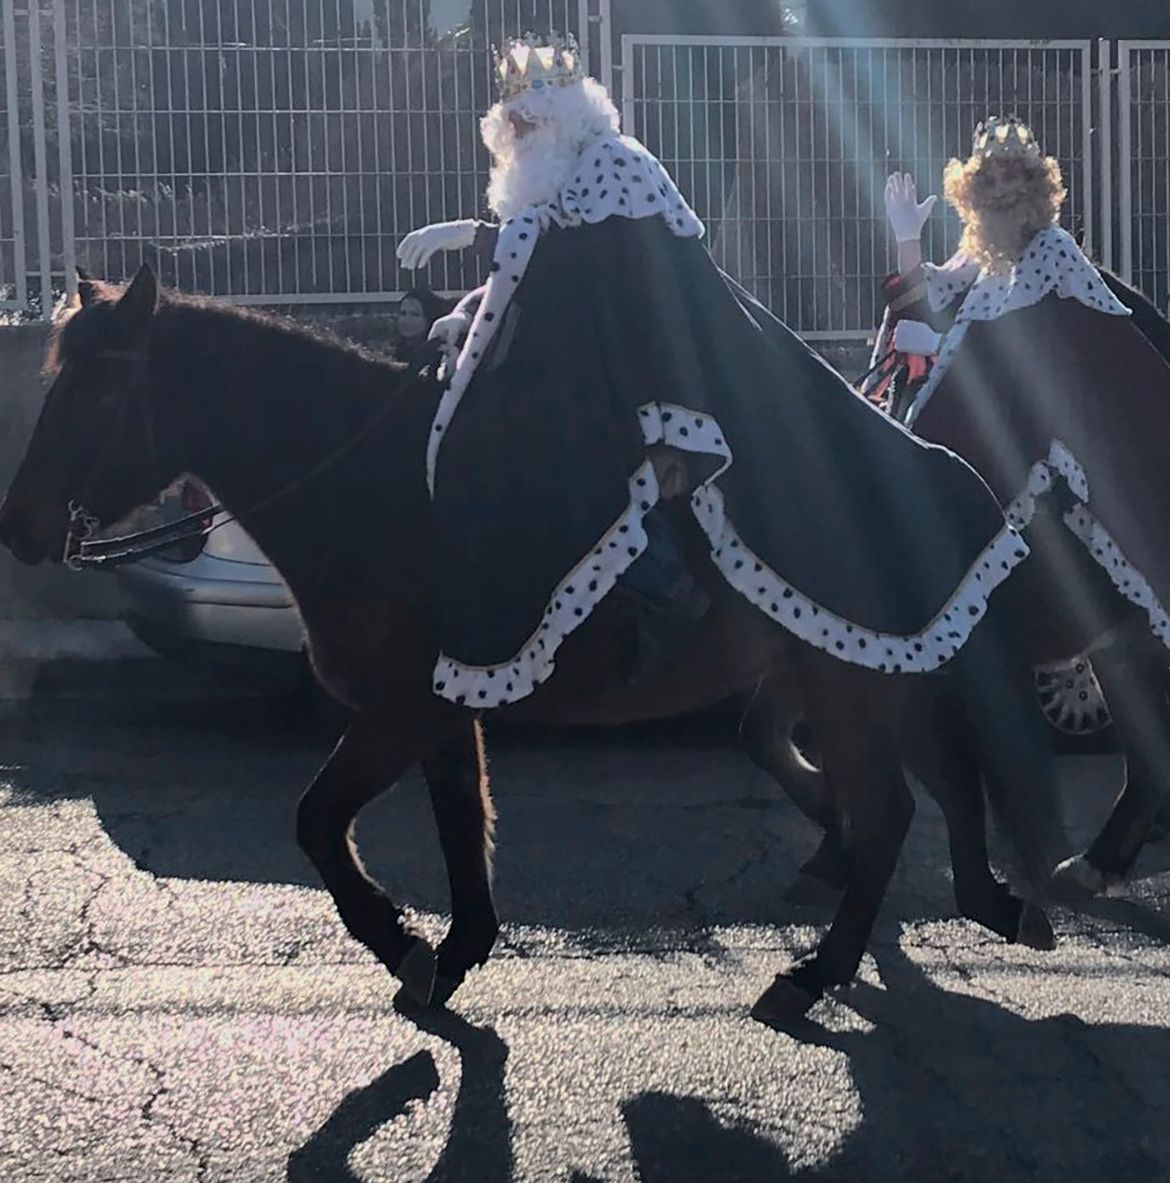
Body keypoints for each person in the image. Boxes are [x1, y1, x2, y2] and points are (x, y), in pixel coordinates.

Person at [391, 35, 1028, 709]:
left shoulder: (616, 164)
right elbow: (542, 273)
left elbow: (583, 259)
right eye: (513, 121)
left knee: (621, 470)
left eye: (533, 117)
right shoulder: (560, 181)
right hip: (607, 368)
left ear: (570, 114)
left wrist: (472, 235)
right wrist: (466, 312)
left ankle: (672, 601)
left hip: (677, 367)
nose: (520, 131)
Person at [880, 118, 1170, 704]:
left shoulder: (1053, 253)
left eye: (1012, 176)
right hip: (995, 416)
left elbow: (1060, 347)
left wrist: (949, 351)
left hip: (1052, 429)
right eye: (989, 178)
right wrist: (907, 239)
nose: (1000, 189)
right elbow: (929, 295)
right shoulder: (983, 253)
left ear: (1034, 189)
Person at [391, 286, 454, 361]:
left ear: (428, 319)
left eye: (414, 314)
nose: (406, 320)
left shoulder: (438, 355)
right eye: (403, 313)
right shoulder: (392, 352)